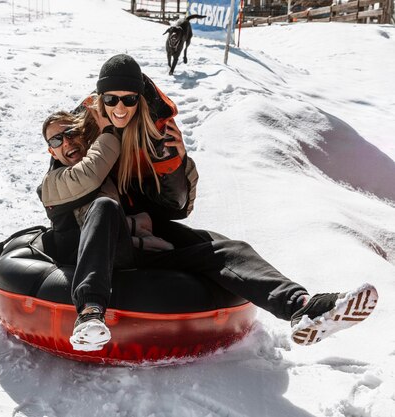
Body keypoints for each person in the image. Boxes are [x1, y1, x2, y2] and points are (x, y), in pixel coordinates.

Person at [54, 53, 376, 350]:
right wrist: (103, 143)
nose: (120, 108)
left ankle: (301, 307)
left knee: (228, 249)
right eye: (111, 99)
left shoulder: (151, 136)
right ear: (100, 99)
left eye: (129, 100)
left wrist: (174, 166)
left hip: (142, 239)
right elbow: (57, 194)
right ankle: (90, 312)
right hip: (97, 242)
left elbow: (174, 208)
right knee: (105, 207)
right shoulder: (80, 135)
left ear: (139, 100)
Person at [38, 110, 174, 351]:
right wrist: (110, 131)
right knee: (104, 205)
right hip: (74, 261)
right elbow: (91, 172)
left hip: (116, 257)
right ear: (52, 151)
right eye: (56, 140)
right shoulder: (52, 183)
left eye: (71, 133)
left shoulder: (106, 175)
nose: (66, 142)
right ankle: (89, 312)